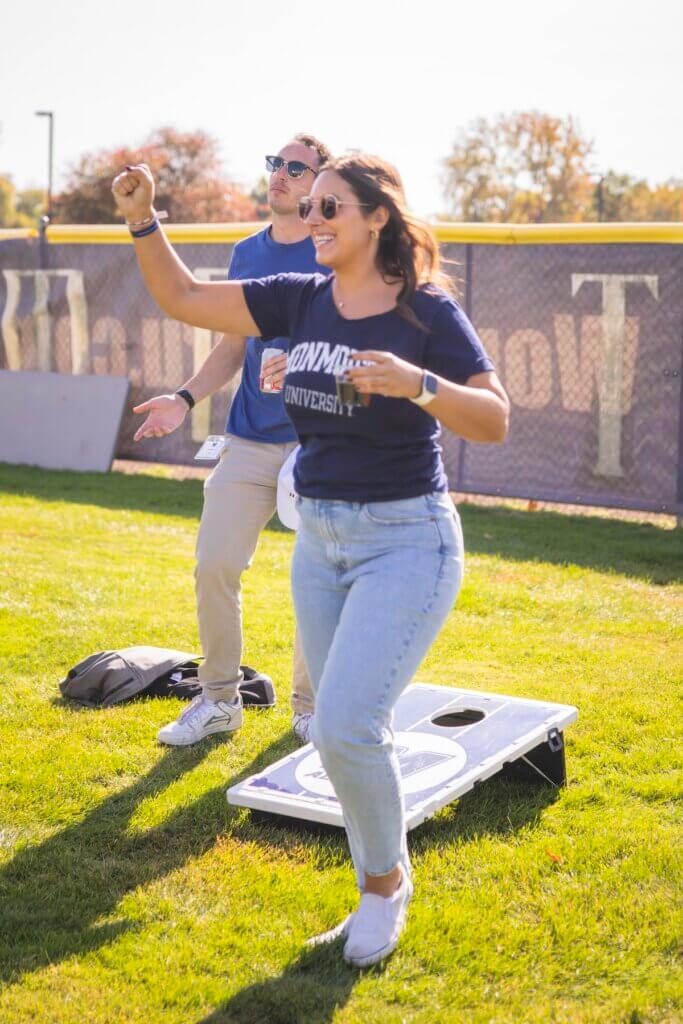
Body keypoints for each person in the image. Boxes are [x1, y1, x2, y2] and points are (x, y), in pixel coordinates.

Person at [111, 152, 509, 967]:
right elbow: (183, 297)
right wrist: (141, 218)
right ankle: (380, 879)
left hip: (406, 540)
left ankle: (382, 889)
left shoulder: (424, 311)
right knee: (336, 738)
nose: (315, 217)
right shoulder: (300, 298)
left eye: (332, 207)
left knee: (345, 725)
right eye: (312, 204)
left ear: (375, 219)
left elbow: (494, 419)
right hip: (320, 539)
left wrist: (418, 383)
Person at [131, 135, 332, 747]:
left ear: (322, 184)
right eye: (277, 164)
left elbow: (354, 337)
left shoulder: (336, 252)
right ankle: (219, 700)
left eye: (298, 168)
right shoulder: (248, 253)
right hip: (247, 438)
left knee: (316, 578)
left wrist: (302, 358)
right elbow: (231, 345)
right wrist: (184, 398)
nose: (282, 175)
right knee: (214, 564)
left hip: (318, 445)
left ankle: (309, 711)